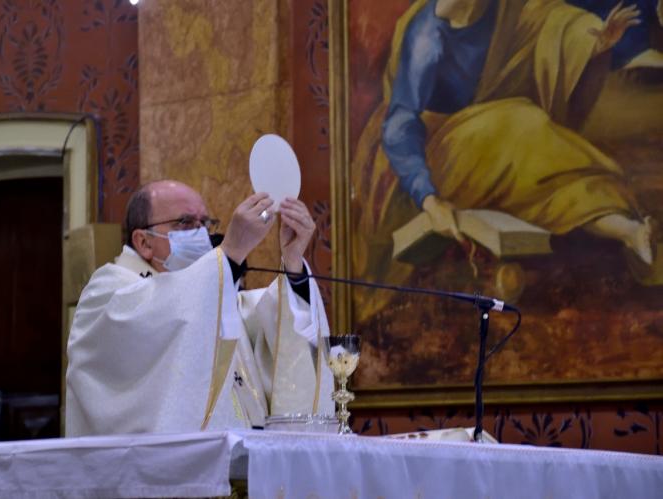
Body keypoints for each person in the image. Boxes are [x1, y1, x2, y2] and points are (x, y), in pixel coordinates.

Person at [352, 0, 657, 322]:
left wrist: (596, 44)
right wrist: (429, 200)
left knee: (542, 165)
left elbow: (551, 22)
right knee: (523, 127)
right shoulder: (428, 35)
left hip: (493, 136)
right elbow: (401, 126)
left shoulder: (502, 9)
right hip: (437, 153)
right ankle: (625, 228)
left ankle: (628, 229)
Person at [65, 180, 334, 436]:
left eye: (205, 222)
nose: (202, 232)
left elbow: (267, 319)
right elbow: (158, 316)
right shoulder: (109, 290)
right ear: (143, 241)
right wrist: (230, 254)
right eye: (185, 222)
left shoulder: (213, 292)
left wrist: (293, 262)